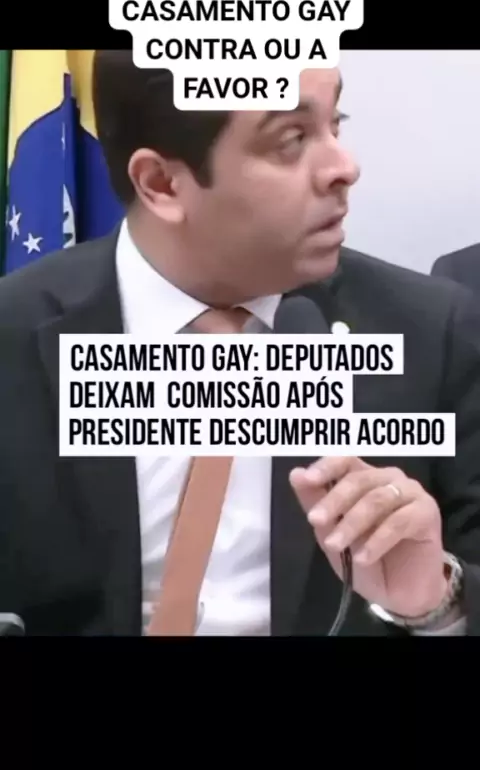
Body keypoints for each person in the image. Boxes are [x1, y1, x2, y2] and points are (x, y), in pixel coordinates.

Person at [1, 50, 480, 637]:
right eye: (291, 139)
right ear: (161, 183)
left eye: (335, 123)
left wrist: (437, 602)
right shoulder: (14, 338)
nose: (344, 166)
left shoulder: (433, 331)